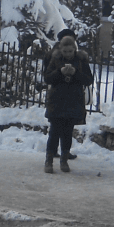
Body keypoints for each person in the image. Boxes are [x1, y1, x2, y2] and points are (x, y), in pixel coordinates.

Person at [42, 29, 93, 173]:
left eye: (70, 51)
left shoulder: (81, 60)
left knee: (67, 133)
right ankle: (49, 161)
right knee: (54, 133)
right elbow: (47, 78)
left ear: (74, 50)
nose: (68, 54)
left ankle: (64, 160)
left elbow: (89, 79)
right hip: (57, 101)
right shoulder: (55, 58)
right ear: (61, 50)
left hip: (73, 101)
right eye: (65, 51)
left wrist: (75, 73)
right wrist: (60, 72)